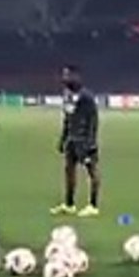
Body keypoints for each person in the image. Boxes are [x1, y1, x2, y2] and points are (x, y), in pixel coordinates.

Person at [50, 65, 101, 218]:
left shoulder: (86, 97)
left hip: (84, 141)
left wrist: (90, 142)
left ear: (76, 76)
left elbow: (93, 120)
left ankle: (93, 205)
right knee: (69, 171)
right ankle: (69, 204)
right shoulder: (67, 95)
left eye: (67, 75)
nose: (64, 78)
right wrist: (63, 138)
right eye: (63, 75)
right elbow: (67, 118)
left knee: (92, 171)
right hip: (71, 140)